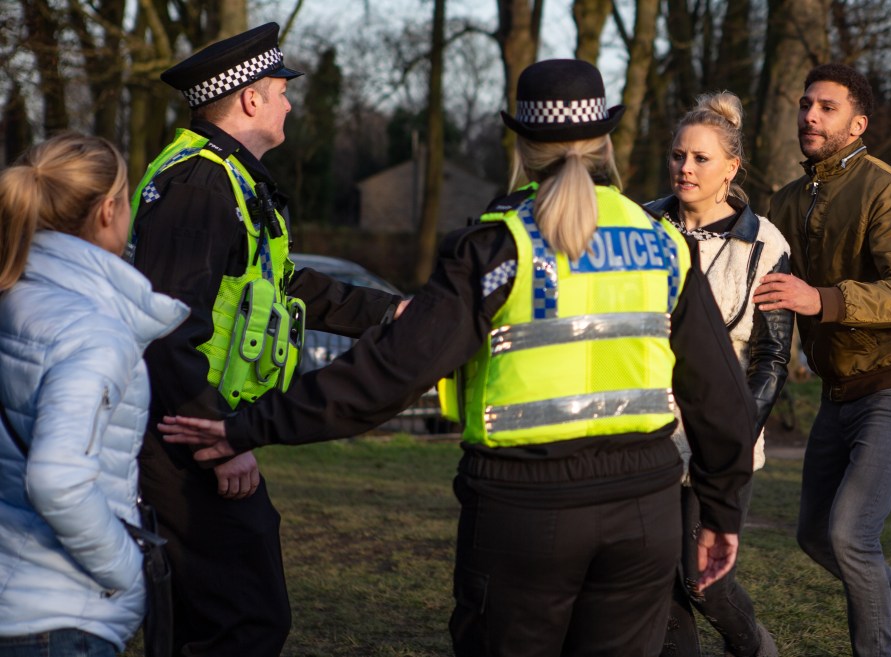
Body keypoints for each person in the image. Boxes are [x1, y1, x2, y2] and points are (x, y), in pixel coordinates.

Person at [158, 58, 757, 657]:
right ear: (603, 138)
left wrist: (249, 427)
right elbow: (723, 399)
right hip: (644, 517)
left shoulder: (497, 246)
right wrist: (721, 513)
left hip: (525, 518)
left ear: (521, 142)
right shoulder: (663, 243)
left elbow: (386, 377)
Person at [128, 23, 405, 656]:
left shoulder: (229, 181)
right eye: (281, 91)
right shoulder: (200, 186)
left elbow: (283, 283)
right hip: (186, 437)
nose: (288, 104)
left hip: (192, 432)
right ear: (251, 99)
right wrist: (221, 443)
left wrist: (397, 314)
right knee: (246, 621)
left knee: (207, 619)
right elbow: (167, 331)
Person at [753, 62, 891, 657]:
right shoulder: (786, 200)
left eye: (828, 107)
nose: (810, 115)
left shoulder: (888, 190)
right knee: (815, 533)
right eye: (805, 103)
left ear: (857, 123)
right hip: (840, 389)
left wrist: (824, 299)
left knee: (850, 535)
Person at [0, 133, 188, 655]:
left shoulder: (12, 296)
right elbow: (57, 481)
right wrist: (127, 572)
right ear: (109, 211)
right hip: (58, 616)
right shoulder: (94, 332)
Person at [646, 91, 791, 657]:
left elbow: (771, 359)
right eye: (679, 155)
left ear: (731, 168)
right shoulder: (642, 227)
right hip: (647, 433)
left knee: (702, 579)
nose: (685, 167)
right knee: (655, 581)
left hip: (722, 438)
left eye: (701, 158)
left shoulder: (765, 245)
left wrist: (731, 435)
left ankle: (754, 647)